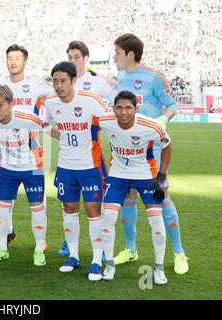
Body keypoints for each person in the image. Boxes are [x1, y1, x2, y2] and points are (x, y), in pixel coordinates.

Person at [112, 33, 188, 275]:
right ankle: (131, 249)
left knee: (162, 200)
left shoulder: (154, 76)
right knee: (127, 199)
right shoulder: (120, 76)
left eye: (117, 53)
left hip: (151, 153)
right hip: (125, 154)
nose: (114, 57)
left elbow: (172, 106)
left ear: (130, 54)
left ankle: (178, 252)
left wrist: (161, 120)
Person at [0, 44, 55, 247]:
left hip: (31, 142)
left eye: (17, 58)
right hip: (7, 144)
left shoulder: (36, 84)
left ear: (25, 61)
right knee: (4, 194)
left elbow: (57, 94)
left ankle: (41, 239)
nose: (13, 61)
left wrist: (46, 115)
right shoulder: (0, 85)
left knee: (37, 195)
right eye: (9, 58)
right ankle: (7, 232)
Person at [98, 90, 171, 285]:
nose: (123, 112)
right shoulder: (105, 121)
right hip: (118, 175)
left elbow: (167, 145)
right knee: (108, 217)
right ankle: (110, 265)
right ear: (113, 109)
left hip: (145, 176)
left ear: (136, 109)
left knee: (156, 221)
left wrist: (161, 176)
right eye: (119, 108)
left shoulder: (150, 126)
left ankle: (159, 268)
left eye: (128, 108)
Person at [43, 61, 107, 281]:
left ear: (73, 80)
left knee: (93, 211)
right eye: (55, 81)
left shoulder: (91, 100)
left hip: (90, 167)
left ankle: (97, 261)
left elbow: (109, 123)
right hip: (65, 167)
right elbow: (44, 124)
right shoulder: (50, 103)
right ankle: (73, 256)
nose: (58, 85)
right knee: (69, 209)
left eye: (63, 81)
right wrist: (61, 135)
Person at [58, 40, 117, 257]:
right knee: (69, 203)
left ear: (85, 59)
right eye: (70, 57)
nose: (73, 60)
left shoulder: (98, 83)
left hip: (92, 152)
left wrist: (101, 123)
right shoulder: (62, 81)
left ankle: (101, 249)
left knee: (95, 203)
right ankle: (68, 242)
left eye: (76, 57)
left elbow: (115, 104)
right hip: (68, 154)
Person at [0, 85, 51, 266]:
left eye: (1, 105)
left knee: (37, 209)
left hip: (32, 168)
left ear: (11, 104)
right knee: (0, 210)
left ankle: (38, 250)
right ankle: (1, 249)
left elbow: (50, 127)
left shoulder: (27, 117)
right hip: (7, 169)